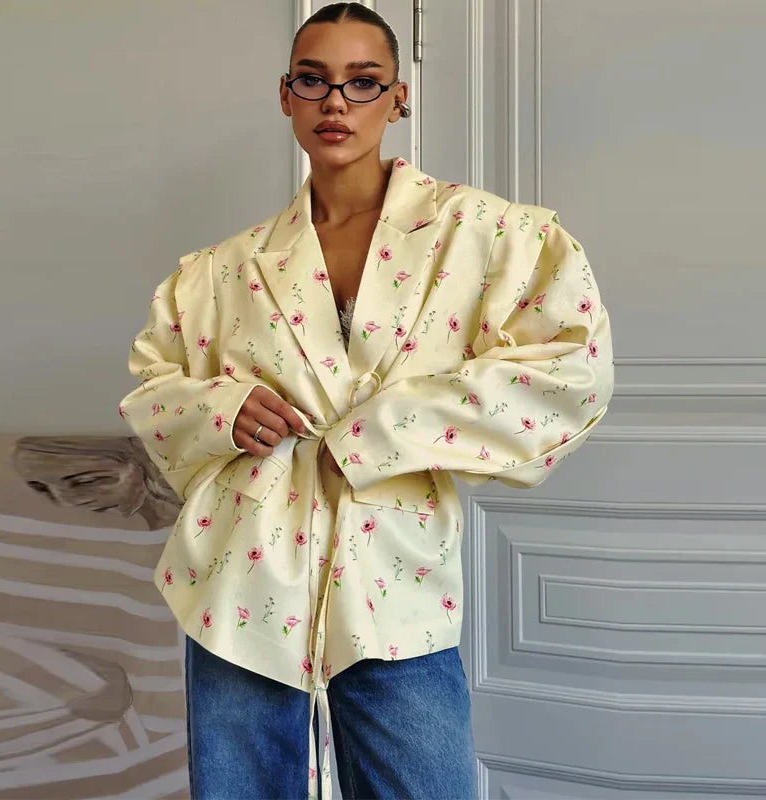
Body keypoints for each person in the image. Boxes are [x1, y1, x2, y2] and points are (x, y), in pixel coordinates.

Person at [117, 3, 615, 799]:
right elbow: (154, 384)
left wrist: (384, 430)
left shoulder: (482, 235)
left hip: (397, 578)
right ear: (286, 96)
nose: (336, 103)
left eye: (362, 82)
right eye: (313, 81)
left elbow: (570, 367)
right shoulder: (220, 270)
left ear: (399, 97)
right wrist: (220, 412)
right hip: (239, 585)